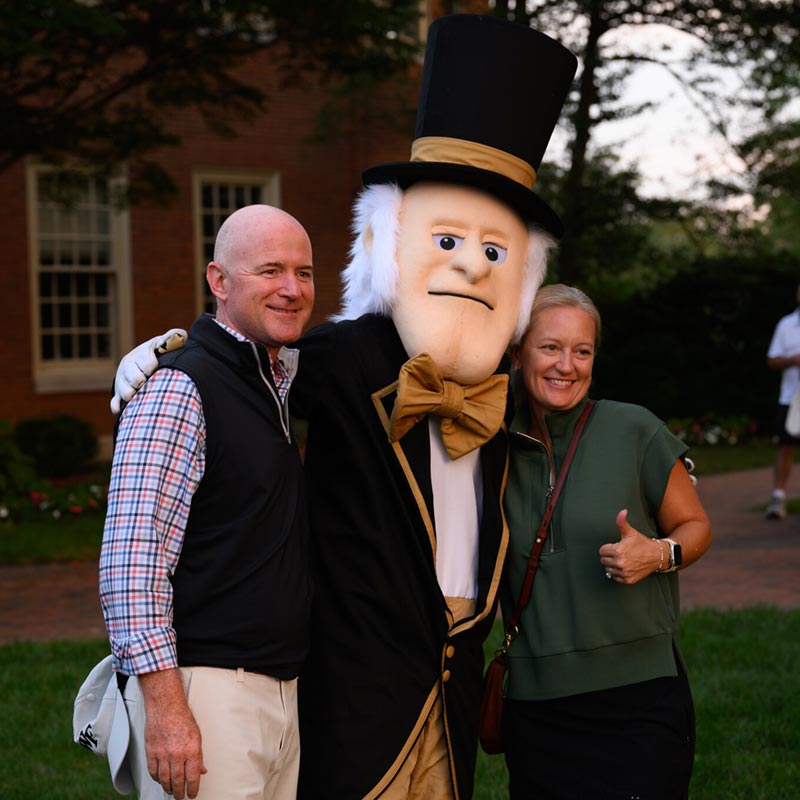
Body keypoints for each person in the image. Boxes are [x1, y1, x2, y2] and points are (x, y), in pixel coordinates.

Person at [111, 15, 577, 799]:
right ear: (393, 244)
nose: (469, 265)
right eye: (448, 240)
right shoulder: (343, 358)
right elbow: (251, 353)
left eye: (492, 251)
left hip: (448, 709)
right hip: (351, 706)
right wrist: (161, 353)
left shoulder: (507, 397)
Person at [99, 204, 314, 800]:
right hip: (205, 691)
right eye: (270, 270)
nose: (292, 289)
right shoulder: (178, 387)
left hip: (279, 691)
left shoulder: (275, 380)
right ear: (219, 281)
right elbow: (130, 565)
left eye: (305, 272)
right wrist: (167, 708)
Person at [501, 284, 712, 799]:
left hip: (637, 702)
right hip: (537, 706)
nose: (566, 365)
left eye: (582, 351)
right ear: (516, 352)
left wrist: (658, 554)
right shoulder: (489, 446)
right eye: (550, 347)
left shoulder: (634, 429)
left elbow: (696, 526)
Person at [764, 283, 800, 519]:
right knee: (785, 446)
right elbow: (772, 360)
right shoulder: (786, 325)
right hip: (791, 397)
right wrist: (793, 360)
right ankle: (778, 496)